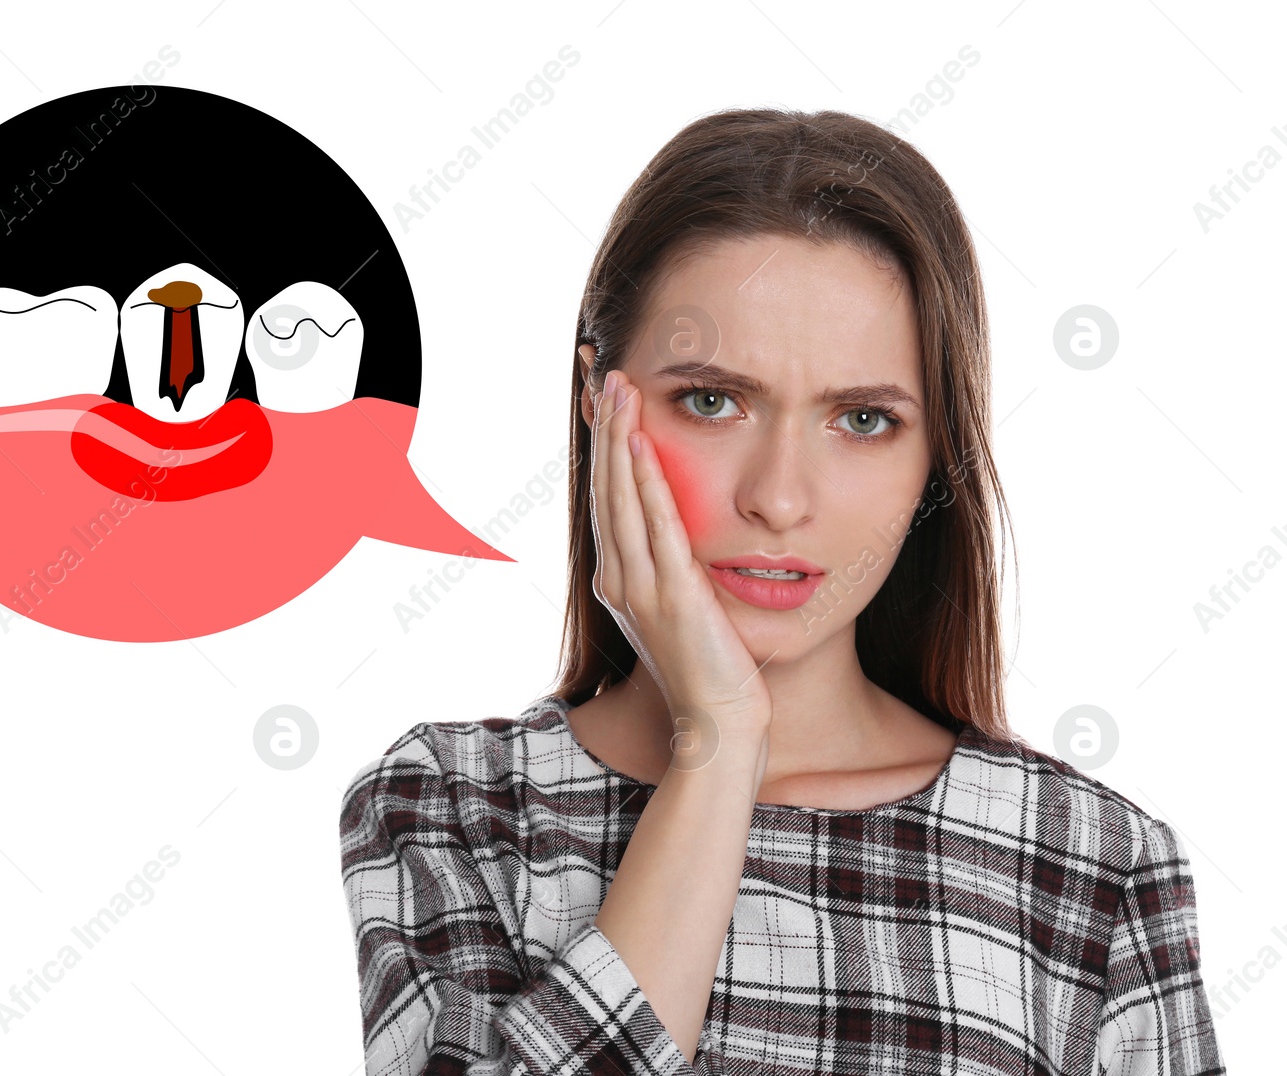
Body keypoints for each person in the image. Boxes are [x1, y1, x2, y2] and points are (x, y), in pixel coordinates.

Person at [339, 108, 1225, 1075]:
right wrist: (717, 741)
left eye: (862, 419)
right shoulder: (454, 805)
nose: (779, 497)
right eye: (712, 401)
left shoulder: (1094, 865)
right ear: (600, 400)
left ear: (937, 456)